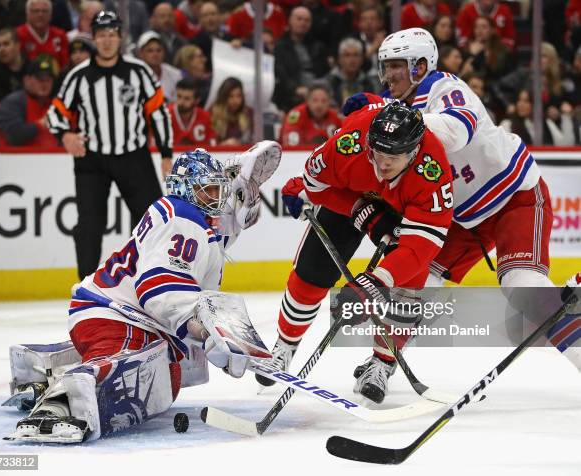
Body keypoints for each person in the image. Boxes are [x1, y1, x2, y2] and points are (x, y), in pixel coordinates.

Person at [341, 27, 581, 378]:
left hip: (515, 196)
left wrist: (386, 115)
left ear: (420, 66)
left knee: (522, 287)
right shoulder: (399, 107)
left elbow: (456, 131)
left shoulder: (446, 88)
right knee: (415, 278)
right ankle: (381, 362)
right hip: (462, 217)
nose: (387, 75)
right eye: (385, 66)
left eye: (395, 65)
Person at [4, 142, 283, 443]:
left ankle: (48, 371)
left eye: (220, 190)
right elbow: (157, 288)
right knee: (137, 379)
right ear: (185, 189)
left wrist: (244, 192)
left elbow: (221, 238)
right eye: (208, 191)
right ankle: (58, 404)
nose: (217, 199)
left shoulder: (195, 224)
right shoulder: (184, 218)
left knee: (171, 375)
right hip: (118, 315)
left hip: (120, 314)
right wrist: (205, 333)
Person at [257, 101, 455, 404]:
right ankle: (284, 345)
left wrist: (375, 282)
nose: (384, 163)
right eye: (378, 153)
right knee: (314, 269)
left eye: (394, 157)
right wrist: (360, 209)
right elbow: (315, 186)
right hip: (351, 194)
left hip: (404, 210)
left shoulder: (433, 170)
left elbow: (422, 245)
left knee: (408, 279)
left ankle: (382, 364)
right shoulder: (346, 146)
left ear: (414, 153)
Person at [47, 11, 173, 280]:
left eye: (112, 34)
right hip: (92, 159)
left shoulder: (139, 72)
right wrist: (65, 136)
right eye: (101, 34)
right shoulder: (78, 76)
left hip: (134, 156)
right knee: (89, 227)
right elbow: (55, 114)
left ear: (120, 37)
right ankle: (87, 289)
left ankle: (149, 281)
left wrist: (165, 153)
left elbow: (159, 112)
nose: (106, 40)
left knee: (149, 222)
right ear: (93, 38)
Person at [272, 6, 329, 112]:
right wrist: (295, 89)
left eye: (307, 20)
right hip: (292, 94)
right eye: (299, 19)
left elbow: (324, 72)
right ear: (290, 21)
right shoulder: (280, 46)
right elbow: (281, 73)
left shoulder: (318, 46)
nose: (303, 23)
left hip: (317, 90)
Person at [0, 57, 58, 147]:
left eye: (48, 80)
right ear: (26, 80)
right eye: (40, 79)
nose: (45, 84)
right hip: (18, 158)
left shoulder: (55, 104)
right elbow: (14, 136)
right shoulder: (12, 103)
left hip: (53, 158)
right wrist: (40, 124)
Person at [16, 0, 69, 69]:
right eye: (36, 11)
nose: (40, 15)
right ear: (27, 14)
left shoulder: (60, 35)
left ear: (50, 15)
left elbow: (65, 65)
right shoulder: (18, 35)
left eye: (45, 11)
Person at [168, 77, 216, 148]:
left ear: (197, 100)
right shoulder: (166, 115)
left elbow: (213, 144)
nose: (181, 102)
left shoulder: (205, 116)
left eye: (187, 99)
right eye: (179, 96)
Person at [136, 31, 182, 103]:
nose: (155, 54)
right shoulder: (133, 76)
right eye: (150, 51)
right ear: (141, 53)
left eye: (159, 50)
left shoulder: (176, 75)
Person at [209, 77, 253, 145]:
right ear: (223, 97)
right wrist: (222, 145)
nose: (235, 101)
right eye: (231, 96)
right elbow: (208, 144)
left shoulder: (249, 113)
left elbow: (254, 141)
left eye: (239, 96)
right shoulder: (212, 113)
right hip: (219, 154)